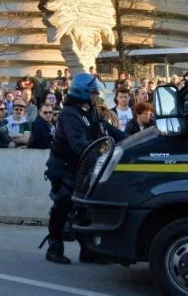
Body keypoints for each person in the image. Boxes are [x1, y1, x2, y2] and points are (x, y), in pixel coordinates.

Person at [43, 73, 126, 264]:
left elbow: (105, 129)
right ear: (83, 93)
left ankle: (88, 251)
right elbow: (80, 145)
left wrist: (130, 139)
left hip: (82, 168)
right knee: (62, 207)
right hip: (64, 168)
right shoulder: (69, 114)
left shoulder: (89, 111)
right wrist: (101, 156)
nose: (96, 96)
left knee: (85, 209)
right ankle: (54, 248)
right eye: (93, 93)